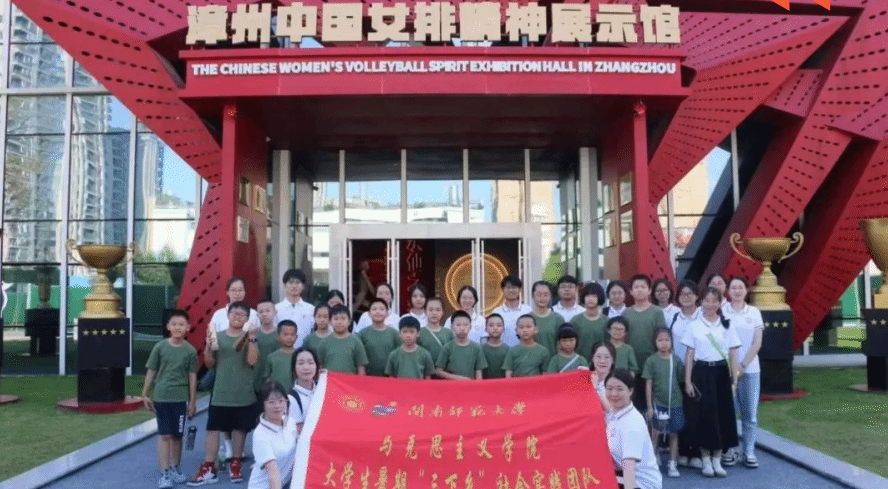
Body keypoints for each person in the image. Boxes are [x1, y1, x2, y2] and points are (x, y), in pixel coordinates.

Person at [189, 302, 259, 486]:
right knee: (213, 429)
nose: (238, 316)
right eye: (234, 313)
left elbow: (252, 361)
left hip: (243, 392)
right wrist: (208, 345)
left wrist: (252, 338)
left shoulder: (249, 337)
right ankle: (209, 466)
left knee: (239, 429)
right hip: (220, 392)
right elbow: (210, 364)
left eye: (242, 314)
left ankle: (236, 463)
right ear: (228, 315)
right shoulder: (218, 336)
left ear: (247, 319)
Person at [682, 287, 741, 478]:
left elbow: (733, 352)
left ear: (720, 302)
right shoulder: (694, 325)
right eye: (707, 300)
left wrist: (734, 379)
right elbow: (689, 354)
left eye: (714, 301)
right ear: (701, 302)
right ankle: (705, 459)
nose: (710, 304)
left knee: (722, 415)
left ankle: (717, 459)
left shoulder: (727, 325)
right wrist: (688, 381)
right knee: (703, 415)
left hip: (721, 373)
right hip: (701, 372)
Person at [142, 309, 198, 489]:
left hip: (180, 399)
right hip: (162, 397)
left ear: (188, 327)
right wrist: (145, 393)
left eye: (181, 324)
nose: (177, 328)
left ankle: (176, 468)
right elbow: (151, 370)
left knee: (177, 436)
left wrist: (192, 402)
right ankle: (165, 473)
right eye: (174, 324)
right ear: (168, 327)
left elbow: (192, 377)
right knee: (165, 435)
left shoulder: (190, 351)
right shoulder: (160, 347)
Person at [721, 276, 764, 469]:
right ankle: (730, 449)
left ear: (746, 290)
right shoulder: (722, 311)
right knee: (728, 413)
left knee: (750, 414)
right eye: (733, 288)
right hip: (727, 370)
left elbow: (757, 342)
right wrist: (733, 367)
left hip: (751, 369)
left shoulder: (754, 312)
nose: (737, 291)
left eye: (740, 287)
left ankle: (749, 451)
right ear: (728, 291)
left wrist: (742, 365)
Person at [605, 369, 663, 489]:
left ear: (630, 391)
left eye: (620, 389)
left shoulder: (632, 423)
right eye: (609, 388)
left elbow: (629, 469)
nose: (614, 394)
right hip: (623, 474)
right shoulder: (615, 413)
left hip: (641, 484)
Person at [643, 328, 686, 479]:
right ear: (655, 342)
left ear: (672, 341)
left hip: (675, 403)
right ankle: (652, 460)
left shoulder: (676, 360)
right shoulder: (651, 360)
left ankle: (672, 462)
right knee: (655, 432)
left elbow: (681, 380)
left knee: (674, 433)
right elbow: (648, 383)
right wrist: (650, 406)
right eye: (660, 340)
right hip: (658, 403)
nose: (664, 343)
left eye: (667, 340)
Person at [668, 280, 702, 470]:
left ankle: (695, 452)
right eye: (682, 294)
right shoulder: (675, 316)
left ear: (697, 296)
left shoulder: (703, 316)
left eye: (690, 294)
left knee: (696, 412)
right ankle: (681, 450)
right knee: (679, 411)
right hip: (677, 370)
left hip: (698, 370)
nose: (686, 297)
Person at [247, 381, 297, 489]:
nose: (277, 406)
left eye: (281, 401)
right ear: (263, 404)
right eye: (271, 402)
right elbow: (273, 472)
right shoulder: (260, 434)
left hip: (286, 483)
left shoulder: (291, 423)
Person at [316, 304, 368, 375]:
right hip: (329, 380)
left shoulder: (356, 341)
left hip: (349, 381)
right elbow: (320, 366)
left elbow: (361, 367)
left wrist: (361, 381)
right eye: (336, 319)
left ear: (349, 321)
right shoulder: (324, 342)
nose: (339, 322)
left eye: (343, 318)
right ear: (330, 322)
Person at [436, 311, 487, 380]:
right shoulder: (447, 347)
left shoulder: (477, 348)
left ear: (470, 327)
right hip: (452, 385)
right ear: (452, 327)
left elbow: (479, 372)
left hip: (471, 385)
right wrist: (457, 378)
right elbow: (438, 371)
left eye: (465, 325)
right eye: (458, 325)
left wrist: (478, 385)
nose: (462, 328)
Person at [358, 298, 402, 376]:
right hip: (368, 377)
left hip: (390, 377)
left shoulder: (394, 333)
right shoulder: (362, 334)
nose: (378, 312)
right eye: (374, 309)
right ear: (369, 313)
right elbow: (359, 358)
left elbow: (399, 356)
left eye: (381, 309)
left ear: (387, 313)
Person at [274, 269, 314, 349]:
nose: (294, 286)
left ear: (303, 286)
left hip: (305, 352)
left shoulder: (311, 309)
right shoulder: (276, 309)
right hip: (282, 351)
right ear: (285, 285)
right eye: (291, 283)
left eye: (297, 283)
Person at [571, 283, 608, 363]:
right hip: (579, 364)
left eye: (594, 296)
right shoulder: (575, 320)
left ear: (599, 298)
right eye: (587, 295)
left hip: (601, 363)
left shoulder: (606, 321)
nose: (590, 299)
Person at [491, 275, 532, 348]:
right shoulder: (497, 312)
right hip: (503, 351)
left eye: (514, 287)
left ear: (519, 290)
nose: (511, 290)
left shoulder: (528, 310)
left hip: (524, 350)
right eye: (508, 287)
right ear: (503, 290)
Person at [417, 297, 454, 369]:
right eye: (430, 310)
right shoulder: (419, 333)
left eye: (438, 310)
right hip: (426, 372)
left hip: (445, 372)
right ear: (425, 311)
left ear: (442, 312)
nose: (434, 313)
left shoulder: (449, 333)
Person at [530, 281, 565, 356]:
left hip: (553, 361)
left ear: (550, 296)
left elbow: (562, 344)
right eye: (539, 295)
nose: (542, 298)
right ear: (533, 296)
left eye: (546, 295)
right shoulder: (527, 319)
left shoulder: (558, 319)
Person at [253, 299, 281, 392]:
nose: (264, 314)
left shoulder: (281, 334)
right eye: (261, 312)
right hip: (256, 378)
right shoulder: (253, 333)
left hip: (276, 379)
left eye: (268, 311)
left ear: (275, 312)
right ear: (257, 314)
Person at [288, 346, 318, 429]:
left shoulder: (323, 390)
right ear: (294, 368)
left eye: (310, 363)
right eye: (301, 363)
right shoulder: (292, 398)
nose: (306, 367)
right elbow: (297, 430)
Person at [263, 320, 297, 394]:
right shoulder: (271, 357)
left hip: (296, 394)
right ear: (278, 336)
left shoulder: (300, 355)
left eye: (292, 334)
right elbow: (267, 378)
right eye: (285, 334)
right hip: (277, 395)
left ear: (296, 337)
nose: (289, 337)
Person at [481, 313, 510, 379]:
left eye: (499, 325)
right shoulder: (481, 349)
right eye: (491, 325)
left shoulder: (508, 350)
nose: (495, 328)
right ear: (486, 329)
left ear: (503, 329)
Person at [591, 341, 616, 411]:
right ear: (592, 358)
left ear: (613, 360)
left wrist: (594, 388)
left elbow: (612, 410)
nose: (602, 361)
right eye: (598, 356)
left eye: (607, 357)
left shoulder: (618, 382)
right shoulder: (584, 379)